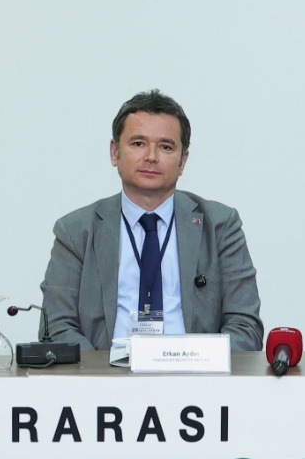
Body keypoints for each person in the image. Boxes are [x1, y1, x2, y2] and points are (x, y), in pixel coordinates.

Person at [40, 90, 262, 350]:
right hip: (105, 371)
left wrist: (195, 362)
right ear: (114, 152)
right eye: (138, 144)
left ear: (183, 161)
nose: (151, 157)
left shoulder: (220, 226)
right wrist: (101, 370)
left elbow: (245, 328)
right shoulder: (76, 231)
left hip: (193, 371)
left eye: (166, 147)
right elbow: (56, 328)